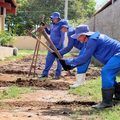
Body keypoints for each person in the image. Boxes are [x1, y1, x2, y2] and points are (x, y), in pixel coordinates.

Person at [59, 24, 120, 109]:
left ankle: (107, 102)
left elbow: (85, 57)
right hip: (116, 56)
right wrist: (71, 65)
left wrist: (68, 62)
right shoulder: (89, 40)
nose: (77, 39)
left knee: (106, 72)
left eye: (78, 36)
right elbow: (83, 57)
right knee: (109, 75)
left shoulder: (93, 40)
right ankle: (118, 95)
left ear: (84, 35)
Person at [39, 12, 67, 80]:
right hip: (51, 45)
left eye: (54, 18)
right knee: (48, 60)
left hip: (59, 47)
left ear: (58, 18)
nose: (53, 19)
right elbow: (49, 32)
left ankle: (57, 75)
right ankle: (44, 74)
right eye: (52, 18)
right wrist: (45, 27)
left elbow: (62, 37)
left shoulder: (62, 25)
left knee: (59, 62)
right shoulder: (52, 25)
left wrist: (59, 46)